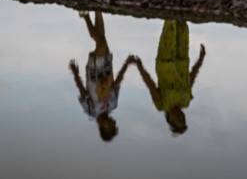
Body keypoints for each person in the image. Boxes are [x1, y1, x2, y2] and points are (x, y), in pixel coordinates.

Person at [69, 10, 136, 142]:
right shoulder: (113, 104)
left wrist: (75, 73)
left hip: (94, 72)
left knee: (101, 44)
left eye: (111, 125)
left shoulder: (91, 110)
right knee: (102, 39)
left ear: (103, 127)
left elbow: (83, 91)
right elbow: (116, 83)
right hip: (107, 69)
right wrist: (126, 65)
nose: (113, 122)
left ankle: (86, 17)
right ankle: (97, 11)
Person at [132, 19, 206, 135]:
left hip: (166, 61)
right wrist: (200, 60)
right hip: (182, 59)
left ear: (170, 120)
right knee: (183, 26)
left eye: (179, 120)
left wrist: (139, 66)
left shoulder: (162, 104)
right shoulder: (186, 101)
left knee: (170, 25)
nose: (182, 117)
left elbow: (150, 84)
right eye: (184, 119)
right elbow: (191, 78)